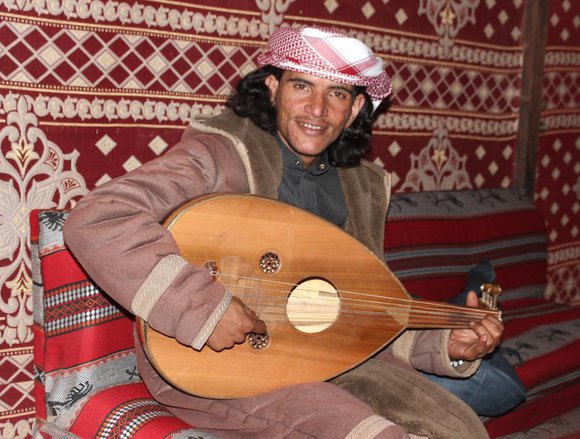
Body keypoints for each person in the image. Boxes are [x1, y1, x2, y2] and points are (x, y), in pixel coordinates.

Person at [64, 26, 506, 438]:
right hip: (219, 368)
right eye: (301, 86)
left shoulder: (362, 187)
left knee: (456, 426)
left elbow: (364, 310)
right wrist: (202, 308)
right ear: (273, 88)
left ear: (354, 109)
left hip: (330, 360)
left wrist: (447, 342)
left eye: (337, 93)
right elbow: (100, 218)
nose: (318, 110)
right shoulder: (221, 155)